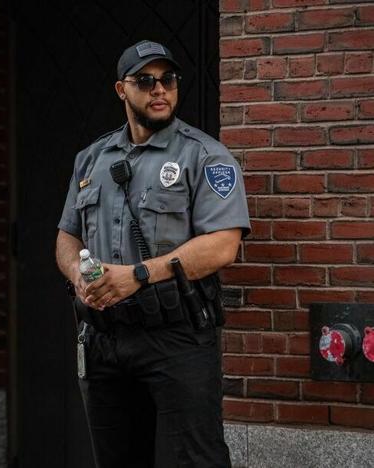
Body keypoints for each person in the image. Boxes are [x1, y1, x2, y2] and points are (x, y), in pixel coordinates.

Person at [56, 40, 251, 467]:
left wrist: (137, 275)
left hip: (176, 337)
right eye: (145, 81)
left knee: (193, 460)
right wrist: (78, 276)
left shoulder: (204, 156)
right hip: (105, 337)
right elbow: (67, 237)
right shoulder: (91, 160)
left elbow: (223, 245)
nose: (159, 89)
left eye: (168, 80)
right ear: (121, 90)